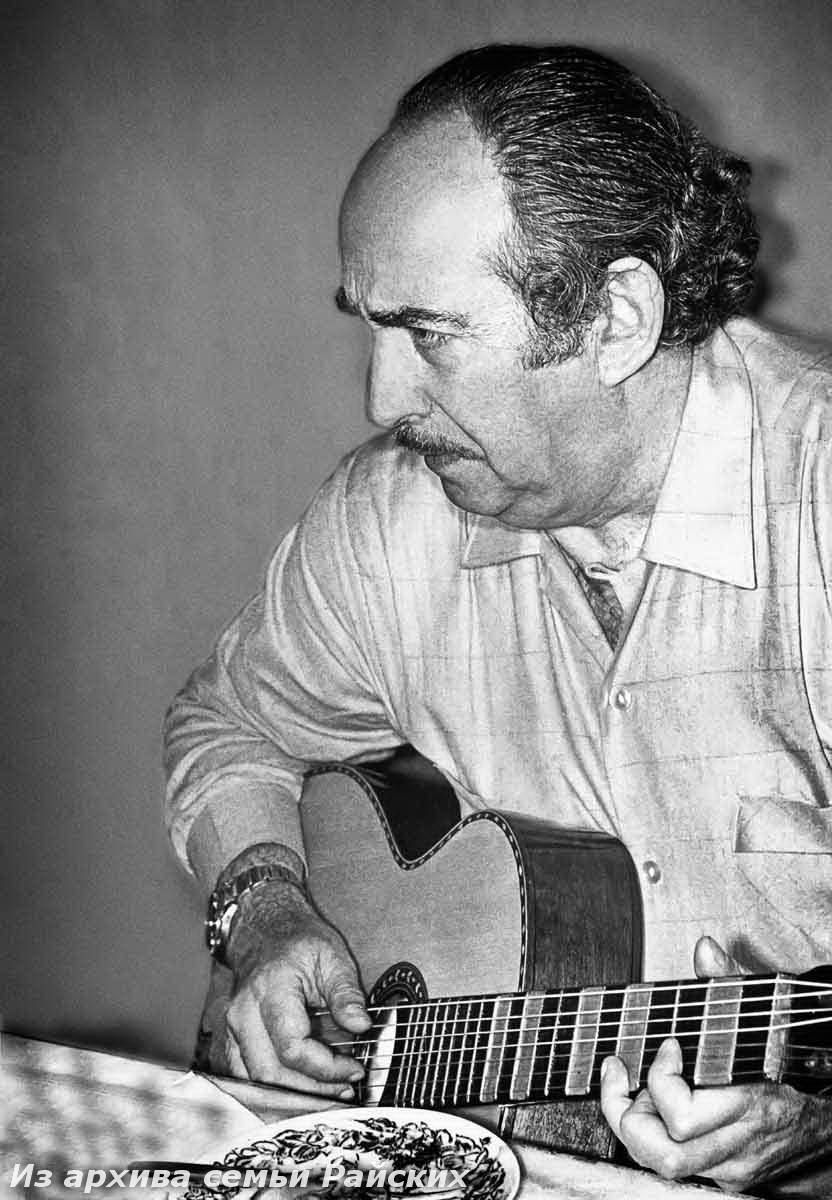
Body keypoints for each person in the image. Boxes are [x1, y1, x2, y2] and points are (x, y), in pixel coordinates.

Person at [164, 45, 832, 1193]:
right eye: (370, 327)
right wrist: (263, 908)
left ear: (615, 318)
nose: (380, 399)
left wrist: (818, 1110)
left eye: (429, 334)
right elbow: (229, 726)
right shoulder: (384, 523)